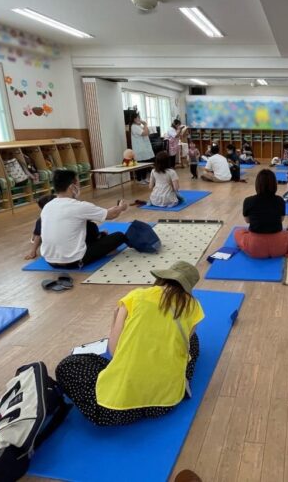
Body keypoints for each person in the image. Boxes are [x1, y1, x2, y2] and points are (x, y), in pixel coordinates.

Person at [55, 261, 204, 426]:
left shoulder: (137, 296)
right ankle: (177, 385)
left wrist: (115, 320)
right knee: (193, 343)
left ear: (163, 278)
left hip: (114, 410)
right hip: (165, 404)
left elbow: (113, 351)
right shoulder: (194, 307)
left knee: (67, 366)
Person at [40, 170, 128, 268]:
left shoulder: (47, 206)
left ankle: (99, 238)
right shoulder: (79, 206)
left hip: (49, 260)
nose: (79, 187)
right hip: (74, 261)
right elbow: (112, 214)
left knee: (87, 225)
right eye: (78, 184)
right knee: (119, 236)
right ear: (72, 187)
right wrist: (121, 207)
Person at [234, 169, 288, 260]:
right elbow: (281, 219)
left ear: (257, 184)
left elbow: (247, 220)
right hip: (278, 247)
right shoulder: (280, 200)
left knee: (238, 232)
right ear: (274, 184)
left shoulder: (248, 200)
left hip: (255, 248)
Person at [126, 110, 154, 184]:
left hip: (143, 148)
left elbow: (147, 132)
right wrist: (145, 125)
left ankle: (144, 178)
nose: (139, 119)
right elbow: (144, 133)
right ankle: (139, 179)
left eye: (139, 117)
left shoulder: (138, 126)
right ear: (134, 119)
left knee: (145, 164)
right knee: (140, 164)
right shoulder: (134, 127)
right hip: (139, 149)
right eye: (138, 117)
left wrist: (145, 125)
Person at [24, 194, 54, 259]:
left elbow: (37, 236)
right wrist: (33, 251)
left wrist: (33, 251)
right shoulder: (41, 220)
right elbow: (38, 235)